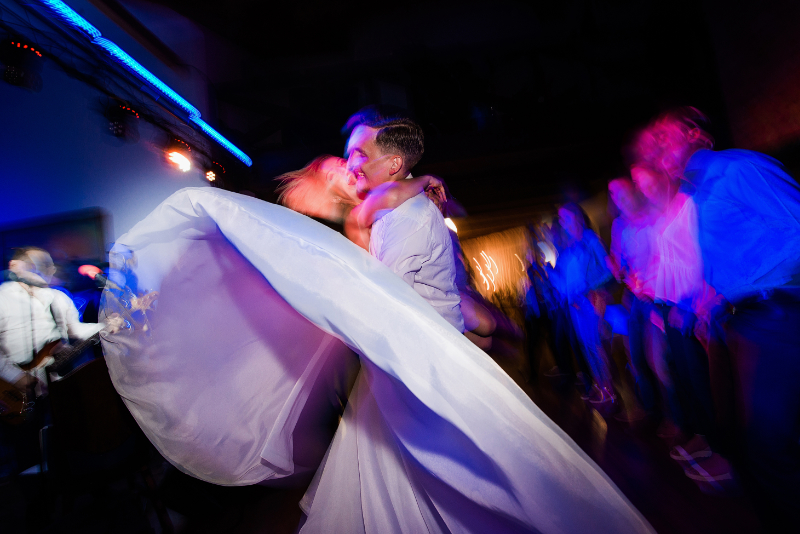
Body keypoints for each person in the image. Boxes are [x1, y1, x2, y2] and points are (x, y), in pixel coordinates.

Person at [642, 107, 800, 527]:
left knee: (769, 445)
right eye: (652, 144)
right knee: (746, 445)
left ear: (697, 135)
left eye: (665, 137)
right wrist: (711, 301)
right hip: (743, 323)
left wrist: (739, 290)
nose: (656, 149)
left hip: (780, 312)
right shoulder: (696, 198)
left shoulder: (737, 169)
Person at [0, 246, 117, 475]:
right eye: (36, 264)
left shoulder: (57, 296)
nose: (44, 270)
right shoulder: (2, 298)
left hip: (58, 383)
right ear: (15, 266)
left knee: (68, 441)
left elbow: (76, 331)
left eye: (47, 265)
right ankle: (36, 500)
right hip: (14, 390)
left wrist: (107, 326)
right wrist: (16, 376)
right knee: (28, 452)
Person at [345, 117, 464, 332]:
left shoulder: (409, 218)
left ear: (394, 164)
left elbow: (389, 303)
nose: (350, 164)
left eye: (361, 154)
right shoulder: (388, 205)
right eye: (351, 153)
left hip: (427, 345)